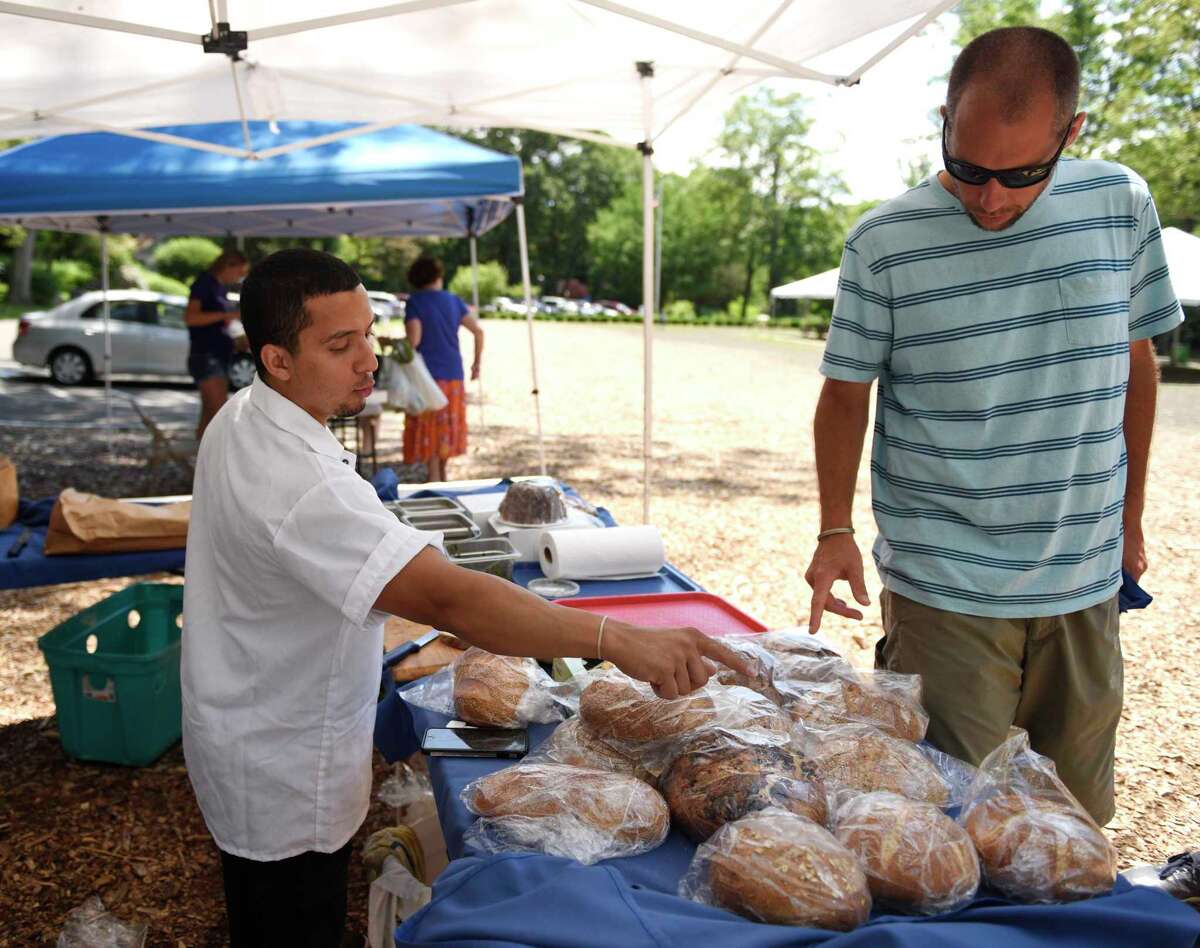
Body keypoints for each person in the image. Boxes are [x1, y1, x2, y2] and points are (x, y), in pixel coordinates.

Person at [180, 248, 747, 948]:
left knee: (267, 912)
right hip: (282, 757)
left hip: (250, 722)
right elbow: (448, 602)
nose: (369, 360)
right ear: (277, 358)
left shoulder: (245, 414)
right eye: (340, 344)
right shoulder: (296, 481)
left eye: (368, 335)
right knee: (290, 918)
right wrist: (617, 639)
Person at [804, 26, 1182, 827]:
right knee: (947, 825)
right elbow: (844, 395)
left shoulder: (1122, 203)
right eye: (970, 169)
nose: (990, 198)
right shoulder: (883, 241)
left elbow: (1135, 362)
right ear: (944, 119)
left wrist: (1132, 515)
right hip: (945, 582)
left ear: (1070, 134)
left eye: (1021, 176)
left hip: (1082, 578)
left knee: (1073, 827)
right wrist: (833, 528)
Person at [402, 256, 483, 482]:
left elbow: (414, 340)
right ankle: (442, 476)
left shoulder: (415, 302)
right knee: (448, 427)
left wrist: (394, 344)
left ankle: (433, 477)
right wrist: (476, 364)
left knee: (429, 427)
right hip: (453, 374)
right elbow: (478, 331)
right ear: (438, 276)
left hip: (426, 375)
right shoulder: (453, 300)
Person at [185, 249, 249, 439]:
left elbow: (218, 324)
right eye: (239, 272)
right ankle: (212, 460)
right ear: (228, 265)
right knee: (219, 412)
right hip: (206, 354)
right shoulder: (204, 283)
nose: (240, 277)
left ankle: (200, 460)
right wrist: (228, 315)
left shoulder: (218, 287)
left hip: (217, 354)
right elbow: (191, 317)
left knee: (210, 413)